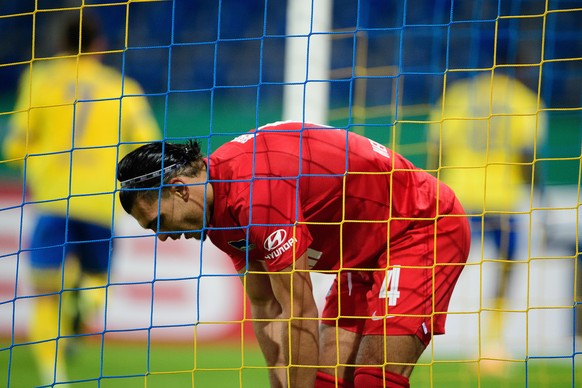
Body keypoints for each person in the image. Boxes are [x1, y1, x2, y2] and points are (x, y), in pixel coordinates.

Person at [116, 121, 471, 388]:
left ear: (178, 191)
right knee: (321, 382)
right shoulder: (219, 217)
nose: (162, 237)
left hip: (420, 226)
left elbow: (299, 308)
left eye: (157, 222)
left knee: (372, 381)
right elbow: (266, 306)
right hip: (361, 256)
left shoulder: (255, 193)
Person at [2, 12, 160, 385]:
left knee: (44, 294)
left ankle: (52, 376)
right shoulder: (123, 87)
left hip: (54, 200)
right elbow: (147, 147)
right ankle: (81, 306)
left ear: (59, 44)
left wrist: (40, 163)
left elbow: (12, 146)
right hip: (100, 202)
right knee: (96, 279)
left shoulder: (38, 80)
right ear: (99, 46)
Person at [429, 72, 547, 366]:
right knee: (506, 268)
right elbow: (527, 157)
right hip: (501, 199)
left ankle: (420, 326)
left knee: (438, 266)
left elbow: (437, 150)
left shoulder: (457, 95)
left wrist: (430, 194)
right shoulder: (524, 99)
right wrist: (542, 200)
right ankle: (492, 343)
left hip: (458, 197)